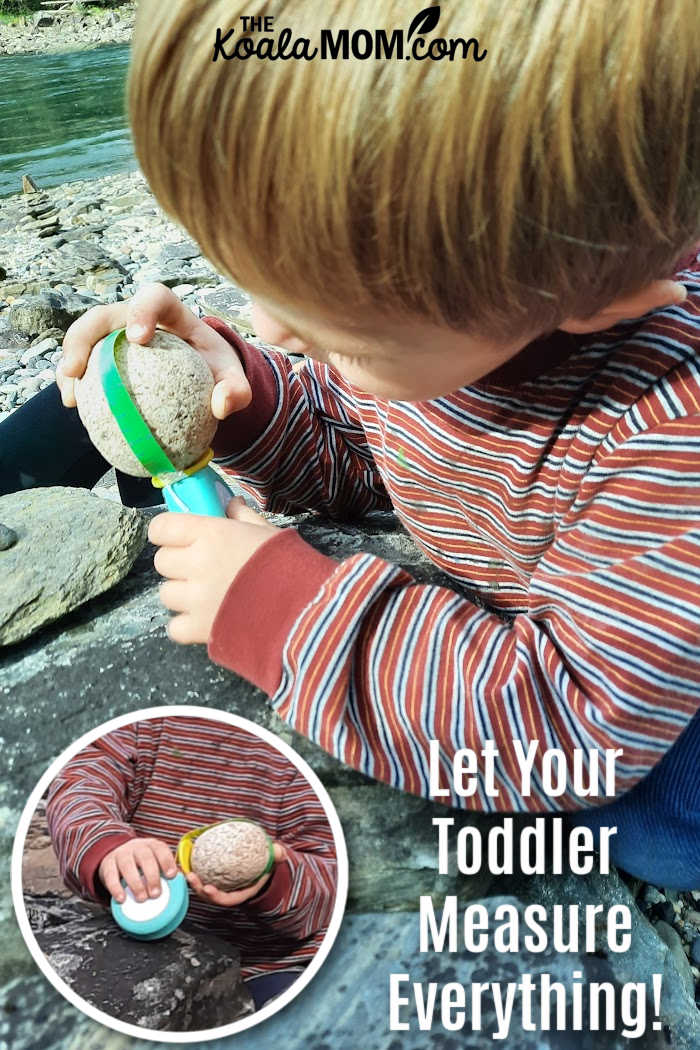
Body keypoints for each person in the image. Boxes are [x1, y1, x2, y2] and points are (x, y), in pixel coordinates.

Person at [46, 0, 700, 888]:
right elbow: (373, 442)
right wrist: (233, 397)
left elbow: (573, 726)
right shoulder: (484, 307)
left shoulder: (666, 429)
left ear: (595, 308)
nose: (269, 327)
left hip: (651, 710)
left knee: (656, 828)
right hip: (570, 626)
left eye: (340, 331)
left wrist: (288, 616)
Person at [45, 715, 338, 1010]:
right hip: (133, 939)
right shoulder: (143, 723)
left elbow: (329, 881)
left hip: (264, 966)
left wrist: (273, 880)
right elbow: (80, 784)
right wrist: (107, 846)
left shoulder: (306, 756)